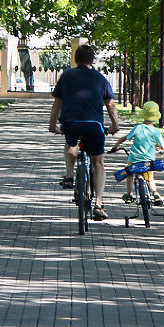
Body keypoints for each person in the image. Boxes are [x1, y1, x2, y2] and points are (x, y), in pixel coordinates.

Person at [47, 43, 119, 220]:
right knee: (99, 163)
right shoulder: (99, 78)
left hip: (71, 123)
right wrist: (115, 125)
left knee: (71, 144)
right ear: (92, 60)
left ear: (75, 59)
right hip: (94, 125)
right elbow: (110, 104)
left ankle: (70, 176)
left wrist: (52, 125)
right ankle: (99, 204)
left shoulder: (66, 76)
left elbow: (57, 103)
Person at [109, 101, 164, 205]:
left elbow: (124, 138)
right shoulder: (155, 131)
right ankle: (155, 194)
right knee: (150, 179)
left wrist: (115, 146)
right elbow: (163, 146)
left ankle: (129, 194)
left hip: (134, 160)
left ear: (144, 115)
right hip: (148, 161)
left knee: (130, 175)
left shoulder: (138, 128)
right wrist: (157, 146)